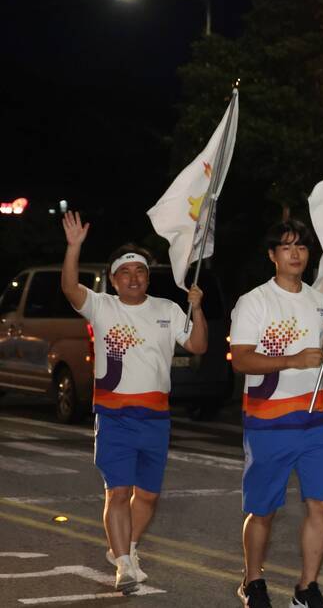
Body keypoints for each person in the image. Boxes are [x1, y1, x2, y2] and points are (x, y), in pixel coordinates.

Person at [60, 211, 208, 594]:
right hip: (114, 416)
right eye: (125, 273)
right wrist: (74, 247)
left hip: (156, 417)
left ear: (147, 276)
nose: (133, 278)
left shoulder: (167, 310)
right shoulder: (102, 307)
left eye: (139, 272)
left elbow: (198, 345)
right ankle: (124, 563)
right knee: (118, 492)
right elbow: (70, 288)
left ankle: (127, 547)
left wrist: (198, 307)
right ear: (113, 280)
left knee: (148, 496)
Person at [230, 219, 323, 608]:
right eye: (286, 247)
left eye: (301, 247)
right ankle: (253, 581)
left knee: (321, 504)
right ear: (272, 255)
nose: (295, 254)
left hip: (317, 420)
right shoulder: (254, 301)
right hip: (268, 422)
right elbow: (241, 361)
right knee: (263, 511)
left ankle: (306, 588)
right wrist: (294, 358)